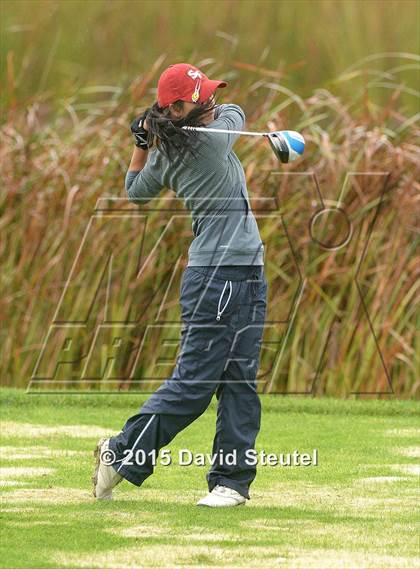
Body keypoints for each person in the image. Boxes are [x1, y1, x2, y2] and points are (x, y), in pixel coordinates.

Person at [92, 63, 268, 507]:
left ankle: (231, 482)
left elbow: (135, 189)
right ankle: (121, 450)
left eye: (208, 92)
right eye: (200, 96)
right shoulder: (208, 143)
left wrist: (142, 144)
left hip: (244, 273)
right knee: (194, 386)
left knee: (240, 383)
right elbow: (237, 112)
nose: (210, 99)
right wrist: (163, 131)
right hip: (220, 278)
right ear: (177, 108)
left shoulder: (169, 150)